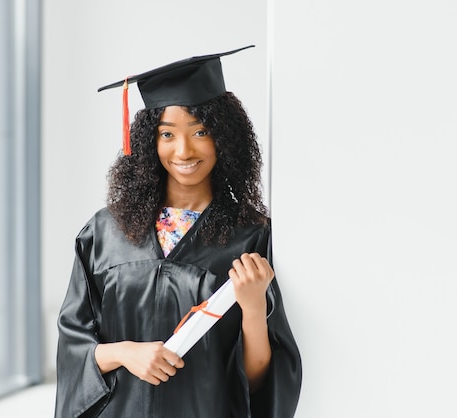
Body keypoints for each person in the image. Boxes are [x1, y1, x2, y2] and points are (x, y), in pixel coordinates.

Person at [54, 45, 302, 418]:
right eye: (167, 134)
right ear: (147, 143)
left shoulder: (249, 236)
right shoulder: (105, 232)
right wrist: (126, 352)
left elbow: (257, 384)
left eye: (200, 131)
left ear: (225, 138)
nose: (183, 150)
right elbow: (73, 347)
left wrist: (253, 309)